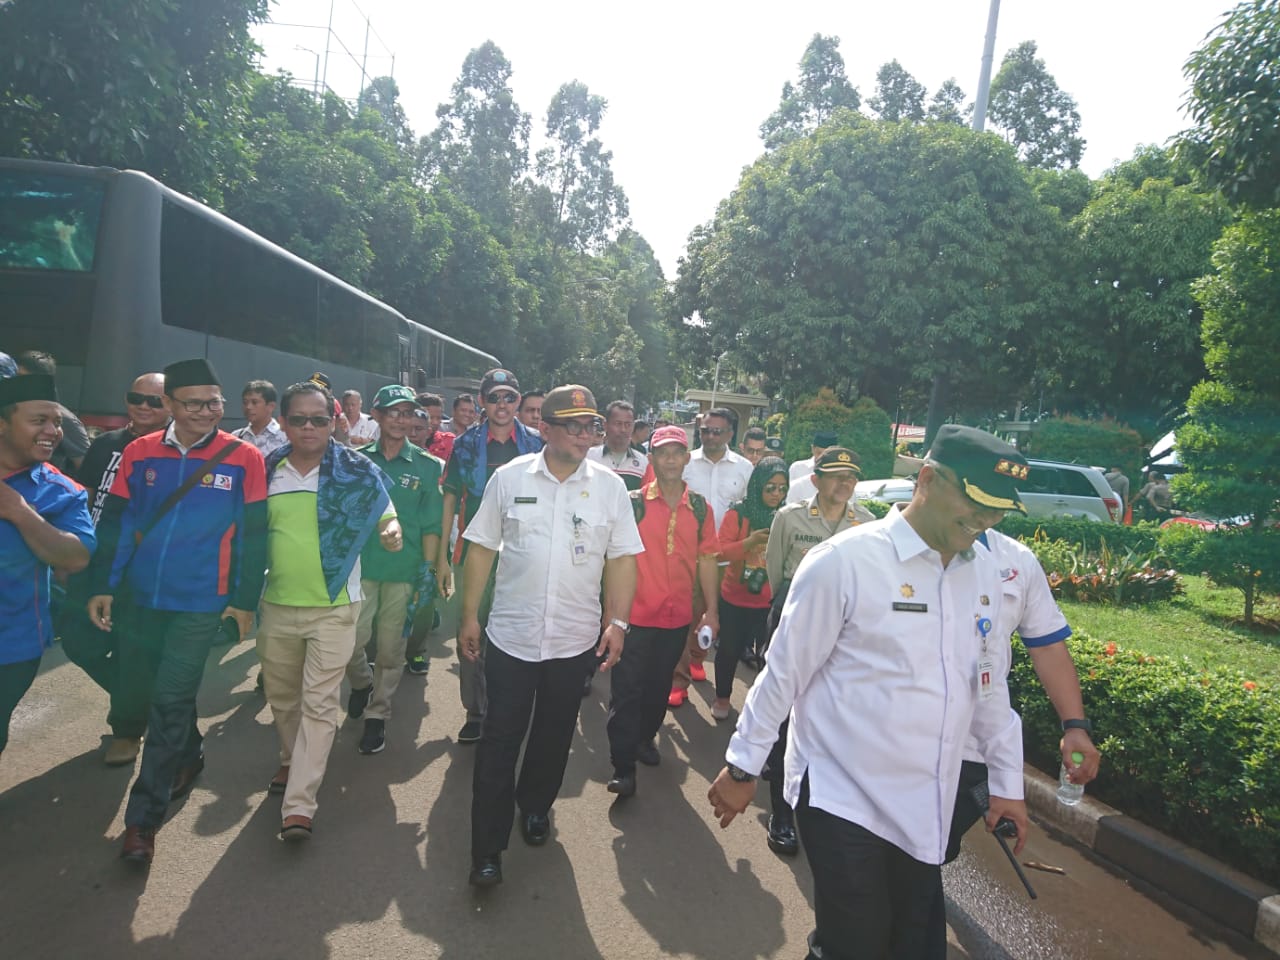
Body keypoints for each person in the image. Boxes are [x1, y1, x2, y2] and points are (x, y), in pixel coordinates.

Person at [708, 425, 1030, 959]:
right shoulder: (845, 562)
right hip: (843, 792)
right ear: (926, 479)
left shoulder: (986, 576)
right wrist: (743, 767)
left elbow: (990, 686)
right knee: (856, 943)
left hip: (929, 796)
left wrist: (1007, 781)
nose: (985, 521)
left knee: (916, 948)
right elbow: (784, 671)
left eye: (998, 511)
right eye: (974, 503)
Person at [460, 384, 643, 888]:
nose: (587, 435)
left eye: (592, 427)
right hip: (512, 638)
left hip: (572, 641)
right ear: (545, 430)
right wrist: (468, 615)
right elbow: (480, 549)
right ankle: (486, 850)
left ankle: (536, 806)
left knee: (554, 734)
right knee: (499, 740)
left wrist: (618, 621)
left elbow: (622, 558)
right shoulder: (509, 478)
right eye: (575, 426)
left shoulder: (608, 488)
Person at [87, 358, 268, 866]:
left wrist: (244, 601)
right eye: (194, 404)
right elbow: (120, 526)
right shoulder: (139, 453)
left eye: (215, 403)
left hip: (202, 601)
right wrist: (105, 584)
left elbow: (254, 537)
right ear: (169, 405)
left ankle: (142, 821)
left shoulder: (244, 458)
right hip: (142, 599)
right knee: (155, 690)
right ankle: (189, 756)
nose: (207, 412)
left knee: (168, 700)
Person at [259, 380, 401, 840]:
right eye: (297, 419)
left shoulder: (357, 470)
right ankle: (289, 760)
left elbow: (386, 511)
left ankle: (299, 805)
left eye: (318, 419)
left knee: (319, 703)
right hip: (276, 605)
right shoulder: (264, 471)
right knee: (283, 698)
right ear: (283, 423)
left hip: (336, 606)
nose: (308, 428)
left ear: (334, 422)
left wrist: (392, 529)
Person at [761, 447, 875, 854]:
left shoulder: (868, 524)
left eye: (851, 477)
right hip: (794, 614)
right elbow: (776, 573)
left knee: (833, 716)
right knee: (785, 711)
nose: (844, 484)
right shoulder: (789, 518)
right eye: (835, 476)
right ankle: (781, 811)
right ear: (815, 480)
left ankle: (828, 808)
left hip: (846, 628)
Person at [59, 372, 169, 767]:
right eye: (136, 397)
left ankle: (126, 729)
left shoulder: (172, 452)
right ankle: (140, 701)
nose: (143, 406)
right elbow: (84, 496)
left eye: (154, 401)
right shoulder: (105, 444)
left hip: (138, 568)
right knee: (77, 641)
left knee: (131, 650)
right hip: (93, 559)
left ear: (170, 404)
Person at [605, 425, 719, 797]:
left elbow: (706, 561)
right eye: (662, 452)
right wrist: (611, 617)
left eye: (677, 452)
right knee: (625, 691)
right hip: (634, 617)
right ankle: (623, 767)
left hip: (676, 618)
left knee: (657, 689)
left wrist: (711, 611)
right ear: (651, 459)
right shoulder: (633, 501)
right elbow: (616, 558)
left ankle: (643, 740)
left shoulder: (701, 508)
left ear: (687, 459)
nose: (670, 459)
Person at [437, 369, 542, 744]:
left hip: (523, 553)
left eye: (509, 398)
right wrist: (443, 559)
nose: (502, 405)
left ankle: (511, 706)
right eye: (494, 397)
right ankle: (476, 712)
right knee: (470, 631)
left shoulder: (534, 443)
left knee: (518, 631)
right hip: (474, 552)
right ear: (482, 402)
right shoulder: (464, 444)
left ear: (518, 401)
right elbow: (450, 496)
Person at [343, 384, 443, 755]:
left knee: (390, 647)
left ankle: (377, 714)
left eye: (408, 413)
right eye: (393, 412)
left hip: (404, 571)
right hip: (361, 569)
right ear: (378, 416)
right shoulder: (356, 461)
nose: (401, 420)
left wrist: (428, 572)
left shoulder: (427, 466)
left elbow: (432, 524)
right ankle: (360, 683)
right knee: (351, 642)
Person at [0, 374, 95, 757]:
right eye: (39, 420)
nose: (53, 431)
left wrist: (21, 513)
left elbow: (77, 555)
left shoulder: (60, 491)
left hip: (12, 642)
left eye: (56, 421)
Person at [668, 407, 753, 707]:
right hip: (689, 556)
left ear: (731, 434)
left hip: (728, 560)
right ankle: (678, 681)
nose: (710, 436)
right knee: (683, 616)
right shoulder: (686, 464)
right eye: (705, 430)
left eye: (717, 431)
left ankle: (697, 657)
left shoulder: (744, 468)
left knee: (711, 615)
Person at [711, 457, 788, 721]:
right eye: (770, 488)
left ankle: (761, 709)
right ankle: (722, 697)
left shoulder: (787, 516)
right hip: (735, 597)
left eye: (782, 488)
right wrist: (749, 542)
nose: (776, 494)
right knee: (729, 651)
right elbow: (720, 551)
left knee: (768, 657)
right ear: (757, 486)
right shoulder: (739, 513)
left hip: (770, 600)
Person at [13, 350, 90, 473]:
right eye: (17, 378)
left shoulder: (65, 420)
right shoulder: (7, 410)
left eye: (27, 380)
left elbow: (86, 469)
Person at [587, 400, 646, 491]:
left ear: (633, 426)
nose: (623, 429)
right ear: (605, 425)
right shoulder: (589, 457)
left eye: (628, 424)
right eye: (618, 424)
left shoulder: (643, 462)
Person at [234, 380, 287, 458]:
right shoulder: (236, 437)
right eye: (245, 402)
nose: (248, 407)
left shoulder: (285, 436)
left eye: (254, 402)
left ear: (271, 406)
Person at [786, 430, 839, 505]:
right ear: (813, 449)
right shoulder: (797, 468)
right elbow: (789, 499)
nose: (822, 458)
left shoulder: (842, 474)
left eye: (827, 455)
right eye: (819, 453)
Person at [414, 392, 455, 462]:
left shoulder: (449, 441)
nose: (435, 422)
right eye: (430, 417)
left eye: (439, 418)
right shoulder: (403, 440)